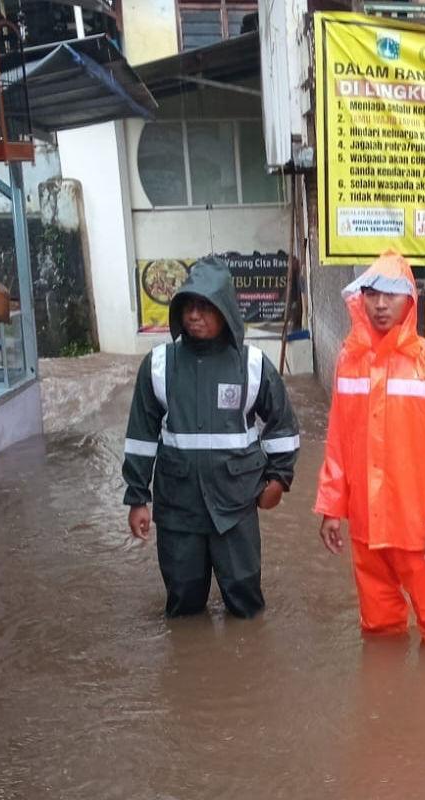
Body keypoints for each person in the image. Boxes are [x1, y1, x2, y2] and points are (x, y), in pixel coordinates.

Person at [122, 255, 299, 619]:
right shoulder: (158, 365)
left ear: (226, 311)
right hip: (178, 506)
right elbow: (141, 437)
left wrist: (278, 480)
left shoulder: (252, 364)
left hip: (235, 504)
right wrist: (137, 498)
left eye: (205, 307)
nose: (194, 316)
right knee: (183, 603)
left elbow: (282, 426)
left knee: (246, 601)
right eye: (188, 307)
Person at [314, 250, 425, 649]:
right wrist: (333, 507)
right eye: (372, 293)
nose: (381, 304)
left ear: (410, 300)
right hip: (367, 527)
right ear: (361, 298)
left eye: (392, 294)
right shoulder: (348, 362)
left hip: (419, 529)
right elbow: (337, 441)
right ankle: (385, 704)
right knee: (379, 630)